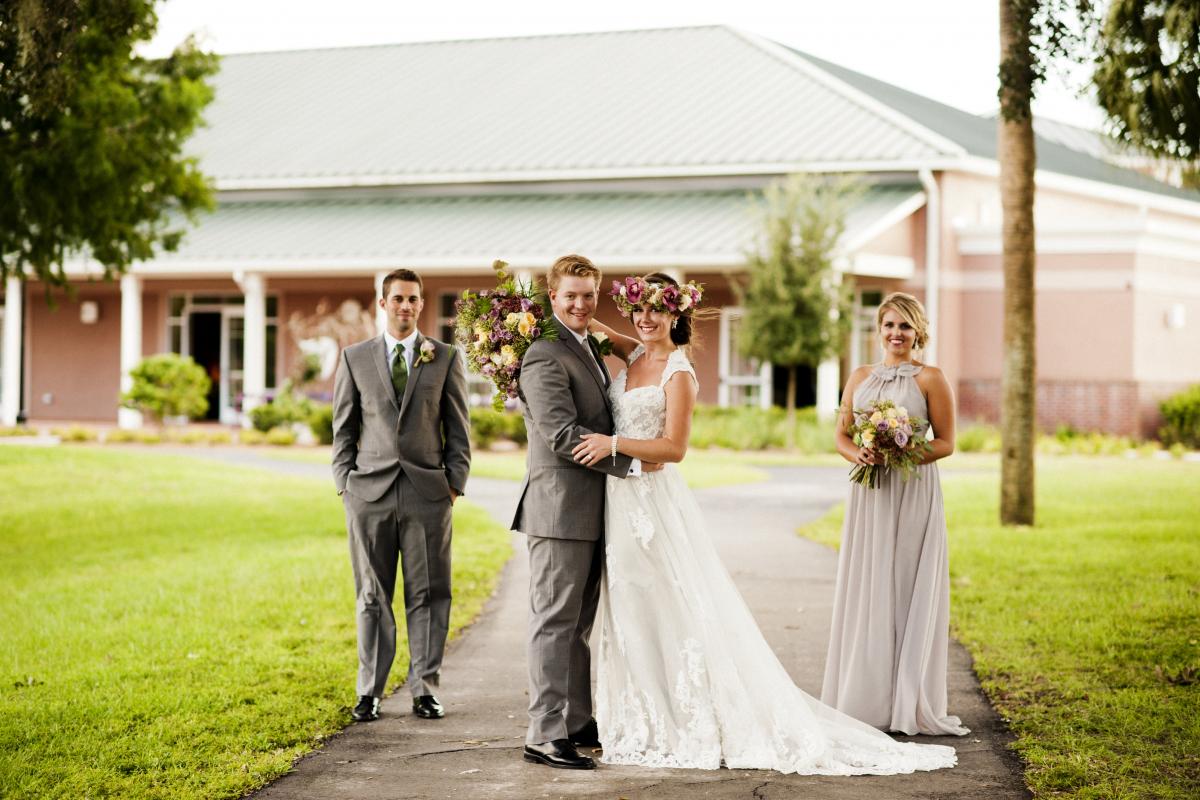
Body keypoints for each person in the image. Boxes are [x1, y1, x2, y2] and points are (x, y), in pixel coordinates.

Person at [571, 274, 957, 774]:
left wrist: (613, 444)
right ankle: (641, 713)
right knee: (631, 608)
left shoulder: (678, 371)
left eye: (656, 309)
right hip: (621, 502)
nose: (645, 318)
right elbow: (584, 324)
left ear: (676, 313)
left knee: (676, 605)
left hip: (654, 499)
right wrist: (532, 312)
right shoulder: (634, 353)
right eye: (638, 309)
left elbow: (674, 449)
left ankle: (686, 717)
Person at [511, 254, 660, 771]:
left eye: (588, 296)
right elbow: (558, 433)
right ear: (552, 297)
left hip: (593, 510)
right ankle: (543, 732)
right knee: (555, 622)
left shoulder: (586, 346)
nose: (579, 303)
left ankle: (576, 721)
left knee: (577, 624)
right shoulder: (544, 354)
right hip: (558, 510)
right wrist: (633, 462)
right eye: (570, 295)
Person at [820, 291, 970, 737]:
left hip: (912, 490)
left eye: (904, 326)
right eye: (888, 325)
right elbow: (842, 434)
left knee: (904, 583)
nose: (896, 334)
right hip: (871, 495)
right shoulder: (860, 375)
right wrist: (860, 454)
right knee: (870, 583)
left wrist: (901, 451)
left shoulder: (932, 378)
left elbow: (945, 442)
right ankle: (866, 696)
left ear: (918, 330)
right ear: (878, 330)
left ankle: (906, 696)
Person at [331, 268, 471, 723]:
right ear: (383, 303)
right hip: (368, 494)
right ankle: (368, 690)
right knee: (372, 594)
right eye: (398, 299)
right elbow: (343, 429)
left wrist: (452, 484)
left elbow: (459, 430)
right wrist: (344, 483)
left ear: (421, 304)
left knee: (429, 593)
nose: (406, 306)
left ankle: (425, 689)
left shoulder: (445, 357)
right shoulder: (354, 358)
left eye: (413, 299)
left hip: (427, 494)